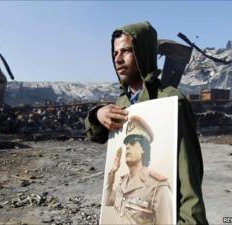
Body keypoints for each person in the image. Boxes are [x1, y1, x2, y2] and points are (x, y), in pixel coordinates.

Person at [85, 21, 208, 224]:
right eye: (115, 53)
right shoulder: (122, 101)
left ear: (143, 53)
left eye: (126, 51)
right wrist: (97, 114)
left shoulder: (170, 100)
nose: (118, 59)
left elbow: (189, 176)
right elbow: (95, 136)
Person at [104, 115, 172, 224]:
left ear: (143, 149)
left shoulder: (158, 187)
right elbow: (107, 201)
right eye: (126, 143)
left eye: (132, 142)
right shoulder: (123, 183)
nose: (127, 147)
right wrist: (112, 172)